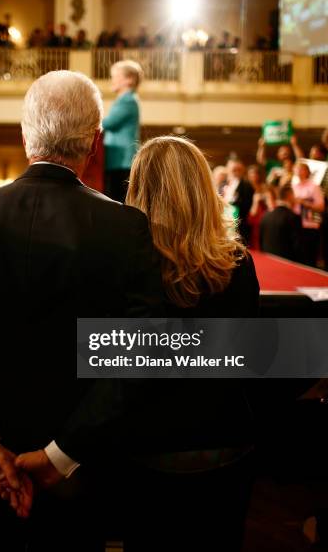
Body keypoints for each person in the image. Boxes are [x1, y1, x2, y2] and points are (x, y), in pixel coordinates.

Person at [0, 70, 166, 550]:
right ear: (95, 143)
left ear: (24, 133)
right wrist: (61, 453)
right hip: (84, 476)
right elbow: (138, 355)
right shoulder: (126, 229)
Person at [126, 136, 259, 550]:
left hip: (146, 444)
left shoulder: (123, 264)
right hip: (224, 441)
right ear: (204, 188)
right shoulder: (237, 263)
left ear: (138, 189)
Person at [103, 60, 142, 202]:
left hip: (121, 161)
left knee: (117, 200)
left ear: (129, 79)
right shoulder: (125, 99)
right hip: (118, 160)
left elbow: (109, 123)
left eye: (116, 76)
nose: (112, 80)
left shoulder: (128, 100)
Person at [292, 162, 325, 267]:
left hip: (309, 225)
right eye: (297, 169)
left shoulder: (314, 186)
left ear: (307, 171)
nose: (298, 171)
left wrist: (304, 203)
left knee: (310, 256)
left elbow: (321, 207)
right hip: (295, 224)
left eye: (301, 169)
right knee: (298, 255)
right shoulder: (293, 186)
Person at [260, 184, 303, 262]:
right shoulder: (293, 217)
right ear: (289, 196)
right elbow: (297, 245)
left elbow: (261, 240)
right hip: (287, 263)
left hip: (268, 260)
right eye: (294, 195)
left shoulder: (266, 215)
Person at [222, 159, 254, 244]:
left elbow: (247, 205)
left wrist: (232, 206)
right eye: (234, 170)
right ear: (228, 170)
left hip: (239, 223)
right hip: (224, 224)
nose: (236, 172)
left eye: (238, 170)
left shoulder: (247, 186)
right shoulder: (223, 184)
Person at [247, 165, 274, 249]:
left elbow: (271, 206)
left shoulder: (266, 188)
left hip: (263, 218)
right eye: (251, 174)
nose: (253, 177)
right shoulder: (246, 188)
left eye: (255, 174)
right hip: (252, 219)